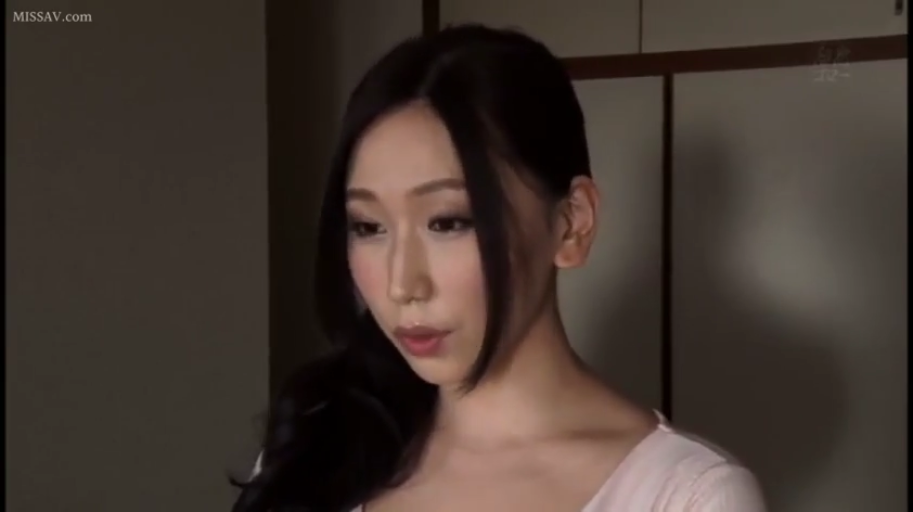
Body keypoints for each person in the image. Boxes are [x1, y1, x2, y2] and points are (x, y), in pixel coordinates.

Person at [231, 24, 767, 512]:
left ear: (571, 224)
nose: (401, 284)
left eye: (447, 222)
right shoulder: (312, 455)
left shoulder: (687, 497)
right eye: (369, 227)